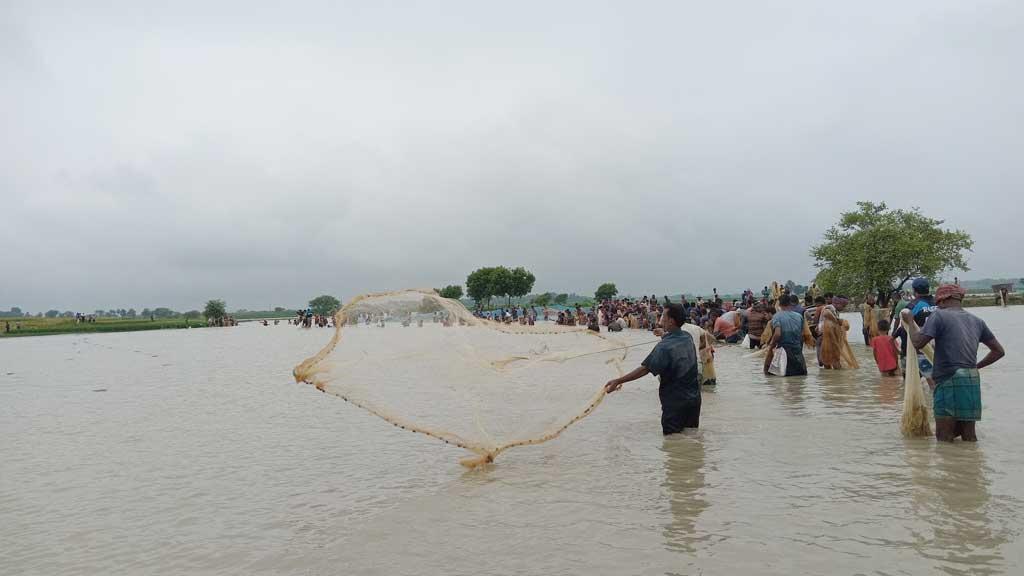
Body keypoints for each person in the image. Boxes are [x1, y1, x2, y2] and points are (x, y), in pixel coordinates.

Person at [905, 284, 1004, 442]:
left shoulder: (939, 316)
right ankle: (970, 463)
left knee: (944, 437)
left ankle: (949, 465)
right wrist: (976, 366)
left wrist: (910, 320)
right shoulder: (977, 321)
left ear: (943, 300)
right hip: (971, 378)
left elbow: (918, 342)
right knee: (969, 436)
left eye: (938, 303)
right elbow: (999, 351)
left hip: (948, 379)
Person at [605, 304, 701, 434]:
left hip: (675, 404)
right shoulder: (687, 337)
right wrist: (663, 334)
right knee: (691, 437)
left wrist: (618, 380)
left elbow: (645, 369)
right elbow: (674, 338)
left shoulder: (664, 347)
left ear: (671, 320)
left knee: (672, 442)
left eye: (663, 316)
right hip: (694, 400)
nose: (661, 319)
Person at [764, 294, 808, 376]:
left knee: (779, 380)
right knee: (799, 381)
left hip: (783, 353)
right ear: (790, 303)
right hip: (797, 353)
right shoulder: (799, 316)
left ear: (779, 304)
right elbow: (802, 336)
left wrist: (771, 345)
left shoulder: (777, 317)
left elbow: (777, 334)